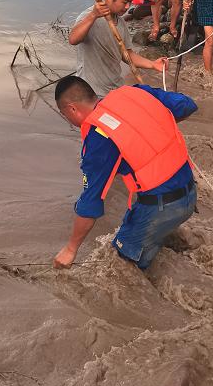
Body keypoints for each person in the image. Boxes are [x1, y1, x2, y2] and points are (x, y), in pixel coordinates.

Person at [53, 75, 197, 271]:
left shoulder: (99, 137)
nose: (69, 121)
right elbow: (187, 105)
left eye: (65, 116)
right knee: (148, 235)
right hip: (190, 194)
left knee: (120, 266)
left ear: (72, 109)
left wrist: (70, 250)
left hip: (162, 207)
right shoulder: (133, 92)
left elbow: (91, 203)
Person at [69, 0, 167, 95]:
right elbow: (73, 39)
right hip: (91, 91)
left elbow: (127, 54)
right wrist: (93, 15)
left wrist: (153, 64)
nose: (127, 7)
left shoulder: (121, 23)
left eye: (130, 2)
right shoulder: (89, 16)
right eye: (125, 2)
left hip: (114, 88)